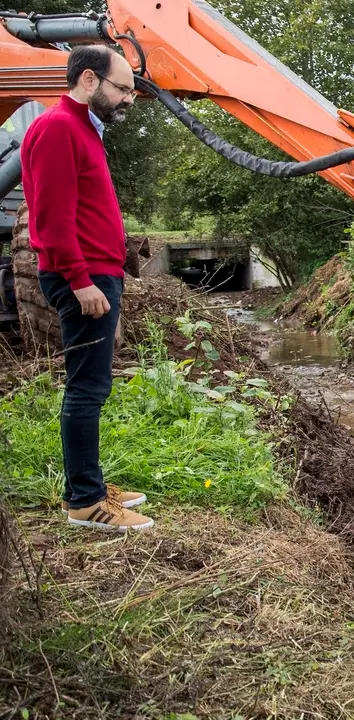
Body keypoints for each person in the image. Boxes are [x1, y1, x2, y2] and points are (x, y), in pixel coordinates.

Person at [20, 45, 152, 531]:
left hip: (97, 274)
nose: (128, 99)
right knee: (87, 389)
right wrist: (79, 280)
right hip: (85, 277)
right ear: (91, 81)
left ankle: (87, 483)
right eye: (122, 88)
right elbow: (52, 218)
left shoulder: (84, 130)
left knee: (92, 386)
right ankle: (85, 502)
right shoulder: (59, 127)